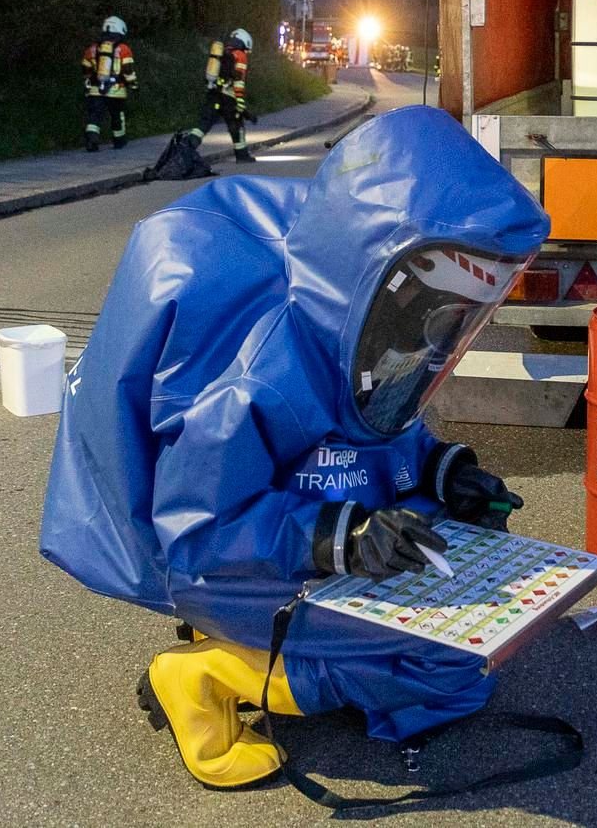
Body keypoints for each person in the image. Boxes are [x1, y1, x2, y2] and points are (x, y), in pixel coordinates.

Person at [39, 105, 548, 789]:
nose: (441, 329)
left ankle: (276, 651)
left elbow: (379, 432)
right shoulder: (259, 378)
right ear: (377, 270)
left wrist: (445, 472)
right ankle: (204, 677)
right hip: (226, 561)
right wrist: (342, 539)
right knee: (443, 661)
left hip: (294, 543)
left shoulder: (357, 329)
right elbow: (198, 529)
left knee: (460, 630)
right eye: (435, 303)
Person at [187, 27, 256, 162]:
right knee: (236, 126)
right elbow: (239, 81)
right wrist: (240, 103)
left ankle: (186, 150)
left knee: (203, 124)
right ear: (244, 42)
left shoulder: (223, 53)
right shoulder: (240, 56)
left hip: (214, 92)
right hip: (229, 97)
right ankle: (242, 156)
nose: (247, 53)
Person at [82, 16, 138, 151]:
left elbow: (85, 68)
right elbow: (128, 70)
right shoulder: (123, 49)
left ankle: (91, 140)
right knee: (117, 115)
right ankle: (119, 141)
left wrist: (90, 81)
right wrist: (134, 84)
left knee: (94, 116)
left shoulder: (93, 48)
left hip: (95, 89)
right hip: (117, 91)